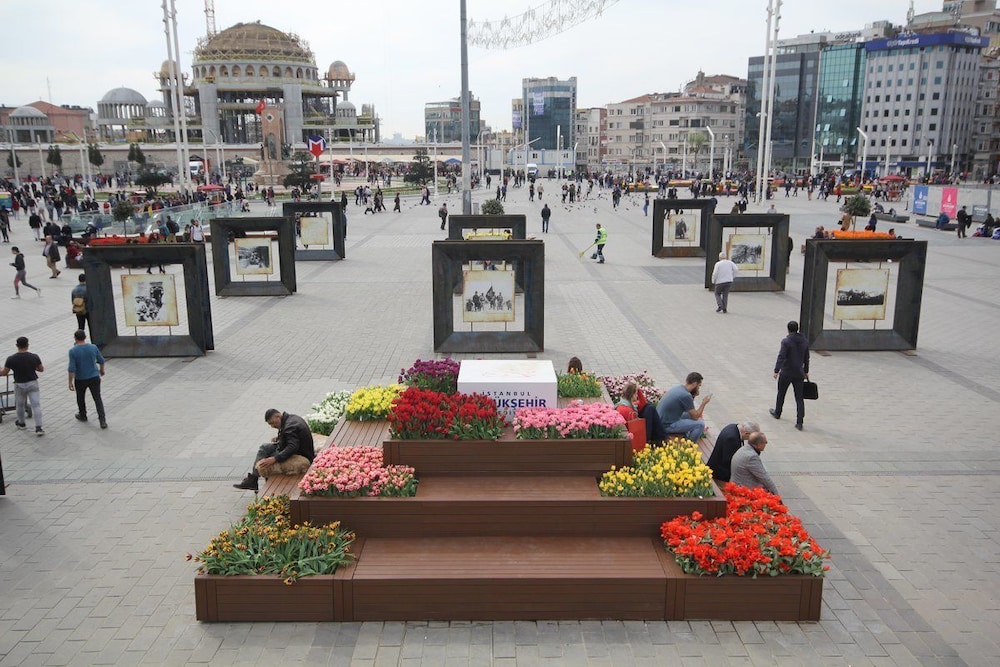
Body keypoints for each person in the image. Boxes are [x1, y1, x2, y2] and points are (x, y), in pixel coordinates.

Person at [233, 409, 316, 491]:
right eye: (270, 424)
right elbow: (292, 437)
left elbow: (293, 447)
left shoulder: (290, 426)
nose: (272, 426)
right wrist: (280, 438)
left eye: (272, 423)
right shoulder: (291, 418)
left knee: (265, 462)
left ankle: (259, 483)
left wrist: (275, 458)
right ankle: (253, 479)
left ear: (278, 416)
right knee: (264, 447)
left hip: (301, 455)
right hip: (292, 448)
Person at [1, 336, 45, 435]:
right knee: (36, 405)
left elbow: (4, 373)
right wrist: (34, 368)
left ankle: (21, 423)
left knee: (20, 405)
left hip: (19, 384)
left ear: (17, 345)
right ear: (27, 345)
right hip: (32, 383)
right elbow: (41, 369)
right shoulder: (34, 356)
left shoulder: (11, 359)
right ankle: (38, 427)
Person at [770, 320, 810, 430]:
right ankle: (799, 421)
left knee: (781, 393)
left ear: (788, 329)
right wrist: (806, 371)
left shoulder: (786, 341)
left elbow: (781, 356)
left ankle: (777, 412)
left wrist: (776, 370)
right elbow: (806, 358)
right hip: (799, 373)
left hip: (786, 372)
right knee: (799, 398)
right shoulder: (805, 341)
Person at [67, 329, 107, 429]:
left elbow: (72, 368)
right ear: (85, 337)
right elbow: (101, 360)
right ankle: (102, 421)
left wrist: (70, 382)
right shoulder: (93, 347)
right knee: (97, 398)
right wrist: (101, 370)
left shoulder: (73, 351)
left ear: (75, 338)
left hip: (80, 379)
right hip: (94, 377)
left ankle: (83, 415)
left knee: (80, 398)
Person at [656, 372, 711, 442]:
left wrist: (693, 396)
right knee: (700, 424)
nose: (698, 388)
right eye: (699, 386)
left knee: (689, 416)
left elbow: (690, 409)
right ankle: (689, 446)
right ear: (694, 384)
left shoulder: (679, 388)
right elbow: (695, 416)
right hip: (667, 425)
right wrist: (703, 403)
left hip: (661, 420)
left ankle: (687, 434)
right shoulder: (686, 395)